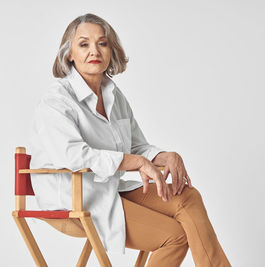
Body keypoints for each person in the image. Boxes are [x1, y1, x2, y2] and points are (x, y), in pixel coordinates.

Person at [28, 13, 231, 267]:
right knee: (175, 236)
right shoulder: (56, 100)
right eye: (84, 44)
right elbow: (72, 155)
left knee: (188, 197)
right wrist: (134, 162)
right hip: (73, 198)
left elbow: (136, 146)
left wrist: (166, 157)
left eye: (102, 43)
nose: (94, 51)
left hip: (110, 189)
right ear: (69, 53)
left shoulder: (114, 95)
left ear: (111, 50)